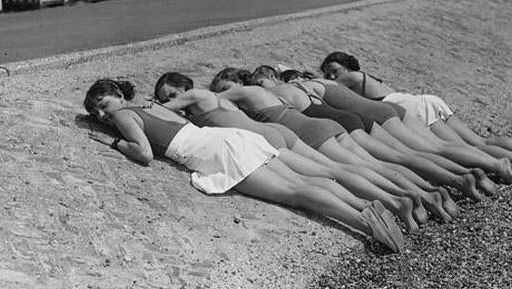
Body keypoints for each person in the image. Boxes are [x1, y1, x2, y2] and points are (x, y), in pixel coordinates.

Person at [83, 78, 404, 251]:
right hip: (229, 139)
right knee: (302, 179)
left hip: (218, 154)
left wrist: (112, 141)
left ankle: (368, 226)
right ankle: (367, 206)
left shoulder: (124, 115)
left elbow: (144, 153)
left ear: (116, 95)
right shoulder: (149, 103)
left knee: (296, 192)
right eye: (95, 113)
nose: (101, 115)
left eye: (102, 105)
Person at [153, 71, 451, 229]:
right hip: (279, 132)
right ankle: (413, 194)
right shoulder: (227, 99)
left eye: (174, 93)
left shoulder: (199, 95)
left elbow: (158, 110)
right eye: (171, 96)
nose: (174, 99)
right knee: (347, 168)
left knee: (324, 176)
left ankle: (396, 201)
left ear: (184, 87)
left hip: (266, 139)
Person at [209, 67, 488, 207]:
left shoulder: (261, 94)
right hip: (366, 113)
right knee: (418, 153)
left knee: (379, 164)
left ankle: (436, 188)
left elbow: (211, 101)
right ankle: (459, 175)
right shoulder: (306, 83)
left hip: (326, 125)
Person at [320, 52, 512, 176]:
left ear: (347, 66)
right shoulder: (365, 78)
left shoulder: (350, 78)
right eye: (327, 73)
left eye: (333, 69)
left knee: (468, 148)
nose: (331, 76)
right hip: (423, 101)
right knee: (479, 141)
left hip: (413, 110)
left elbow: (326, 90)